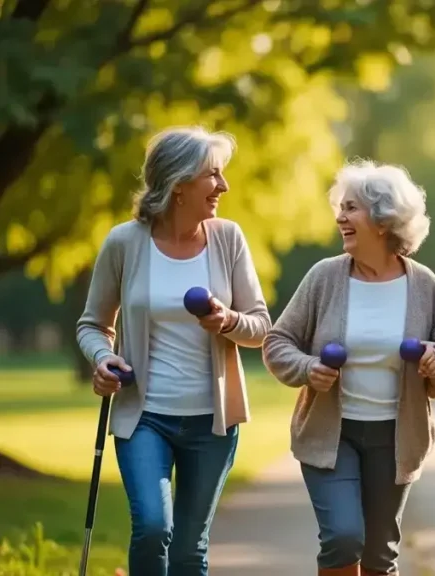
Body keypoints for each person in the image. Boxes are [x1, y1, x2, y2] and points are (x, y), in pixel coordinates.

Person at [76, 126, 271, 576]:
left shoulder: (228, 239)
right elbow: (93, 324)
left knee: (188, 550)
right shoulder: (125, 242)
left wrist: (228, 320)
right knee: (150, 526)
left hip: (212, 423)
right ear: (179, 183)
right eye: (213, 175)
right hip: (145, 417)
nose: (223, 186)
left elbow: (261, 326)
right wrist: (102, 358)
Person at [262, 159, 435, 576]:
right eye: (341, 207)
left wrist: (434, 360)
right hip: (332, 434)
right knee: (342, 537)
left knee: (380, 553)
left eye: (352, 208)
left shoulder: (421, 284)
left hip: (395, 436)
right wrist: (308, 367)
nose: (341, 217)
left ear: (384, 220)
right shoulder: (324, 277)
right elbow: (277, 342)